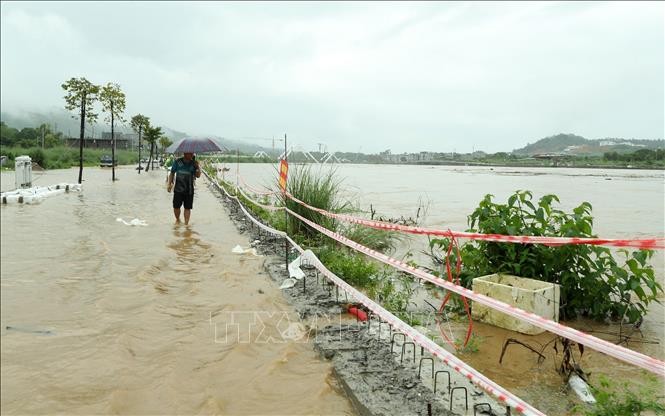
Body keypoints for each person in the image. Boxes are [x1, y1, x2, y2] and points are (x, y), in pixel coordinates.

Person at [167, 152, 201, 225]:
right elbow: (172, 173)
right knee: (176, 207)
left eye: (192, 153)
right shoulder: (177, 162)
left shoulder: (193, 164)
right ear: (185, 153)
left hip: (189, 190)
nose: (192, 154)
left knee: (187, 208)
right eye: (190, 153)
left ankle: (186, 224)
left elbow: (198, 176)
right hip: (178, 189)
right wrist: (169, 184)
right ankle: (178, 219)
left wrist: (197, 167)